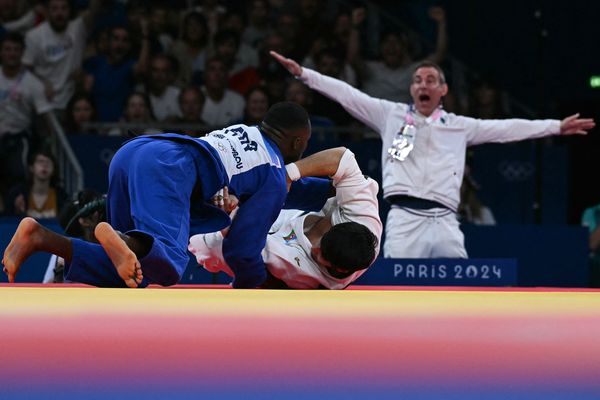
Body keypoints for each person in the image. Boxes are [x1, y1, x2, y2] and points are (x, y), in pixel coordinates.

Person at [270, 51, 595, 258]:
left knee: (460, 291)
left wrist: (556, 126)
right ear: (412, 89)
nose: (422, 84)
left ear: (442, 90)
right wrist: (304, 74)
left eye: (430, 80)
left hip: (444, 222)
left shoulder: (460, 126)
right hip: (403, 219)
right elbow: (348, 95)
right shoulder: (390, 114)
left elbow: (506, 128)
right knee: (396, 291)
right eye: (417, 80)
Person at [3, 101, 312, 289]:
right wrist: (256, 282)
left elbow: (283, 189)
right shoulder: (273, 172)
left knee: (133, 274)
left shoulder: (246, 131)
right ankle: (121, 240)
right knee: (169, 262)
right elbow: (241, 250)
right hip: (169, 168)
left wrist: (331, 188)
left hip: (138, 151)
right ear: (298, 143)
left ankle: (41, 237)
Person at [189, 146, 382, 289]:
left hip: (277, 253)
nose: (315, 249)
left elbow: (243, 242)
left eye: (320, 256)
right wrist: (287, 175)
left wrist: (229, 210)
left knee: (207, 242)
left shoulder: (302, 271)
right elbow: (343, 158)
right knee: (273, 180)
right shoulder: (363, 219)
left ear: (338, 270)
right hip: (300, 218)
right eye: (320, 243)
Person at [0, 32, 53, 192]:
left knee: (19, 175)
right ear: (1, 52)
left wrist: (49, 141)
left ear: (22, 52)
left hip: (18, 140)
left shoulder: (32, 82)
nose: (12, 53)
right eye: (8, 49)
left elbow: (45, 115)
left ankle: (16, 211)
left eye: (16, 49)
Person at [5, 149, 69, 219]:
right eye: (40, 161)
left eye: (48, 162)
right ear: (31, 168)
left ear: (54, 169)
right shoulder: (18, 193)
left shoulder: (62, 196)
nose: (45, 165)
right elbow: (6, 220)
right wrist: (17, 211)